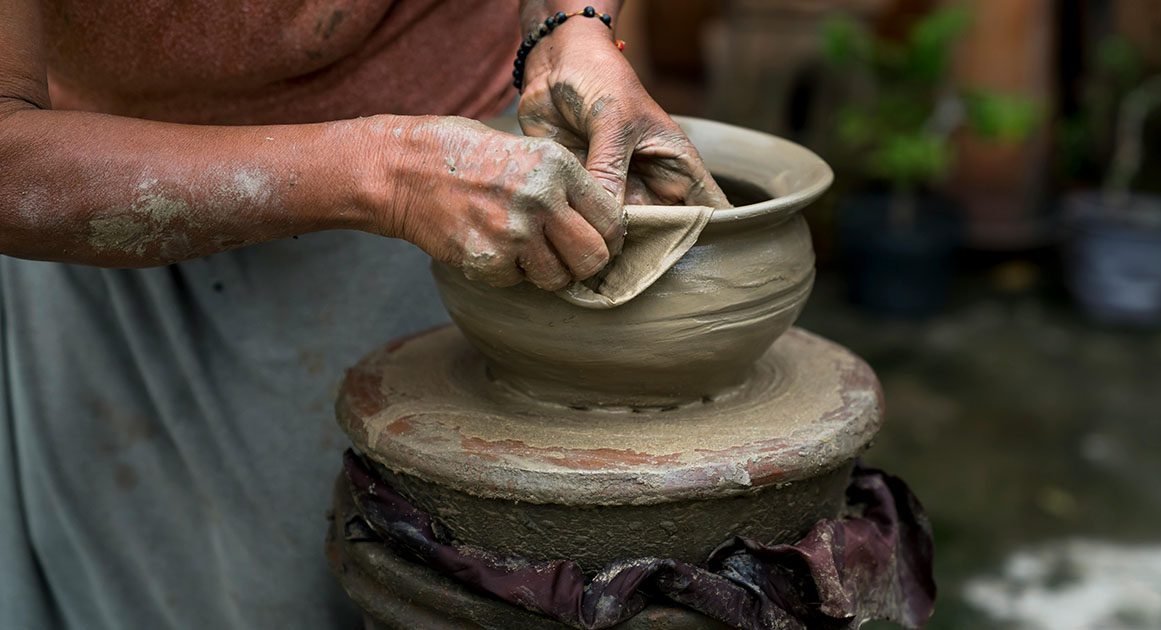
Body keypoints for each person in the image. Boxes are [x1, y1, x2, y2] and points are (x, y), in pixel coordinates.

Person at [0, 1, 728, 627]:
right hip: (112, 193)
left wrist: (570, 27)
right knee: (185, 585)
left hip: (471, 182)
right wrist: (387, 170)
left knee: (401, 577)